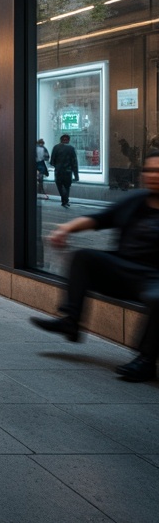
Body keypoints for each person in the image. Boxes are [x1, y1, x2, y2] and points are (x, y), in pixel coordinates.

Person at [30, 149, 159, 382]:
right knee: (84, 257)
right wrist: (65, 229)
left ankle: (146, 361)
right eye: (149, 170)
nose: (153, 175)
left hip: (154, 278)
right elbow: (98, 219)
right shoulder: (135, 201)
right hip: (124, 268)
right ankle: (71, 322)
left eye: (158, 171)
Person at [51, 134, 79, 207]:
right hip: (68, 172)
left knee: (60, 186)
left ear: (61, 140)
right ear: (68, 140)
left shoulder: (56, 147)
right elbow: (74, 163)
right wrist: (76, 176)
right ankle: (65, 200)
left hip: (58, 171)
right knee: (67, 187)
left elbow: (52, 161)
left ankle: (64, 200)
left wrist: (57, 166)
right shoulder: (71, 148)